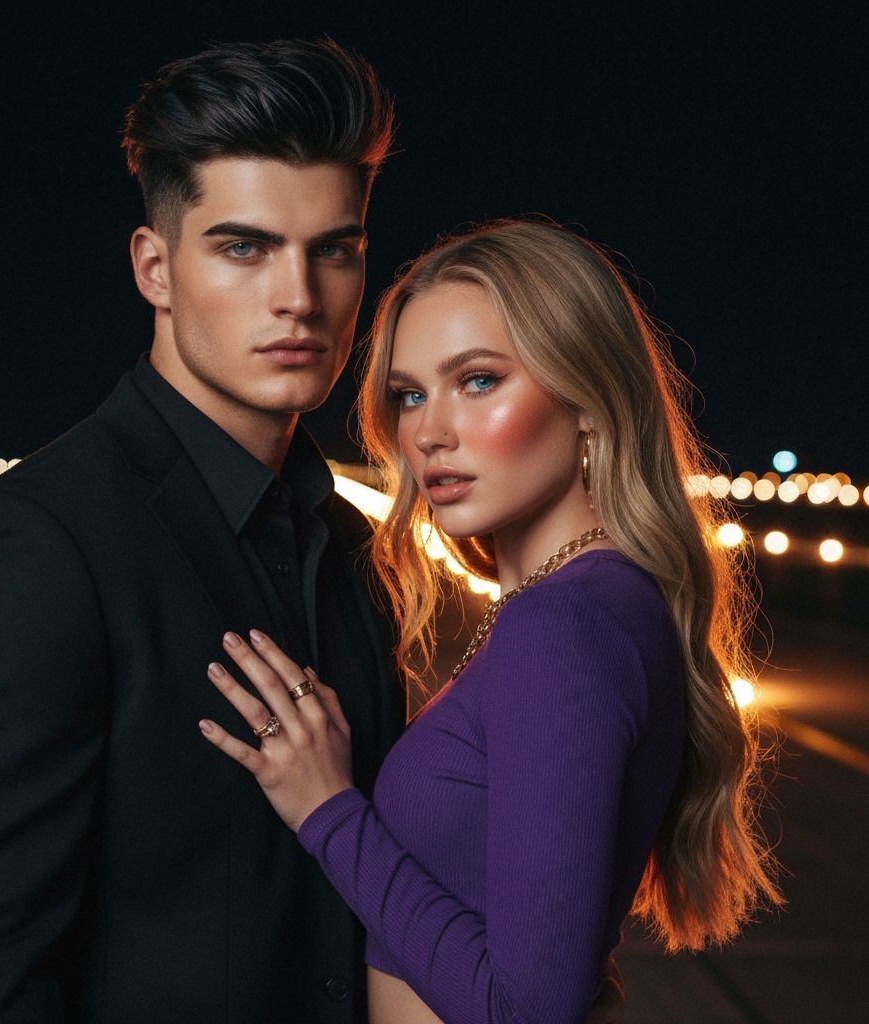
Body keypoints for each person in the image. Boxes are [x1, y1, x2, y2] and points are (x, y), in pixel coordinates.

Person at [0, 39, 403, 1023]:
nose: (299, 296)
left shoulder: (352, 548)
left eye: (332, 248)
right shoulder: (30, 550)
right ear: (155, 268)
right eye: (243, 247)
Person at [200, 219, 784, 1023]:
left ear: (588, 398)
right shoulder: (602, 602)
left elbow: (528, 1009)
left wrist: (326, 809)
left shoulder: (562, 628)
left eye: (478, 381)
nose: (429, 434)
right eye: (410, 395)